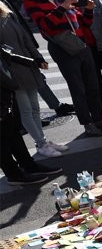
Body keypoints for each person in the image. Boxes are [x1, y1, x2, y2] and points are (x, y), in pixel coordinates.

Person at [22, 0, 102, 137]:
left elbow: (82, 22)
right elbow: (46, 25)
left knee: (93, 85)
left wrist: (89, 11)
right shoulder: (30, 0)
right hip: (62, 47)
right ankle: (87, 123)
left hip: (80, 43)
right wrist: (62, 7)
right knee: (78, 88)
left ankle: (98, 118)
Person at [0, 0, 68, 157]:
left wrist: (37, 57)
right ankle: (41, 143)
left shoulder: (8, 15)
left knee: (35, 107)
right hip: (11, 70)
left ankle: (43, 141)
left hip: (27, 65)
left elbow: (26, 38)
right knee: (26, 110)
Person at [1, 47, 62, 185]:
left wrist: (30, 61)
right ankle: (14, 174)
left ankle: (29, 166)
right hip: (4, 90)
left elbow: (5, 54)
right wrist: (12, 84)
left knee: (13, 131)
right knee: (2, 138)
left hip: (5, 93)